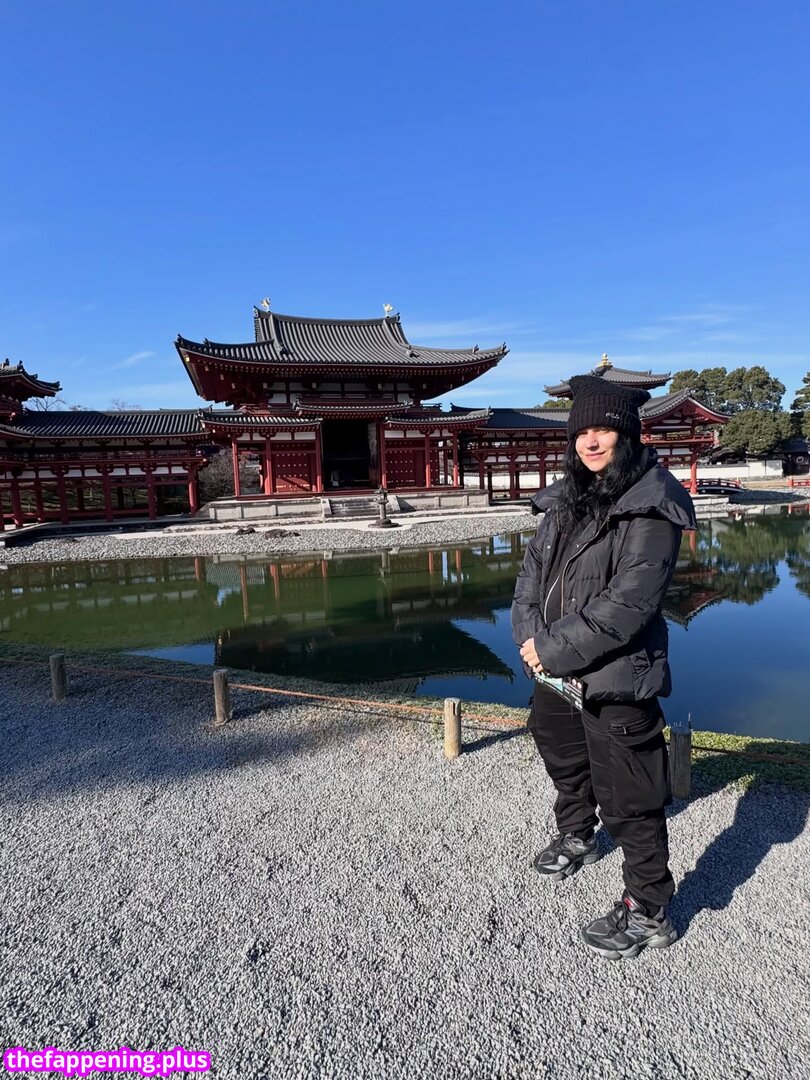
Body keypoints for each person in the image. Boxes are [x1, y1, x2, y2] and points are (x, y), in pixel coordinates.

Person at [511, 375, 697, 961]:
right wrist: (530, 642)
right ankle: (577, 834)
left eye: (603, 430)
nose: (591, 442)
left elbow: (630, 602)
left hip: (618, 672)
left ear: (628, 435)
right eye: (581, 432)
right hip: (554, 668)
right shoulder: (565, 499)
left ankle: (648, 910)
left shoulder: (652, 503)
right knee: (563, 757)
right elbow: (529, 579)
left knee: (631, 794)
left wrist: (550, 648)